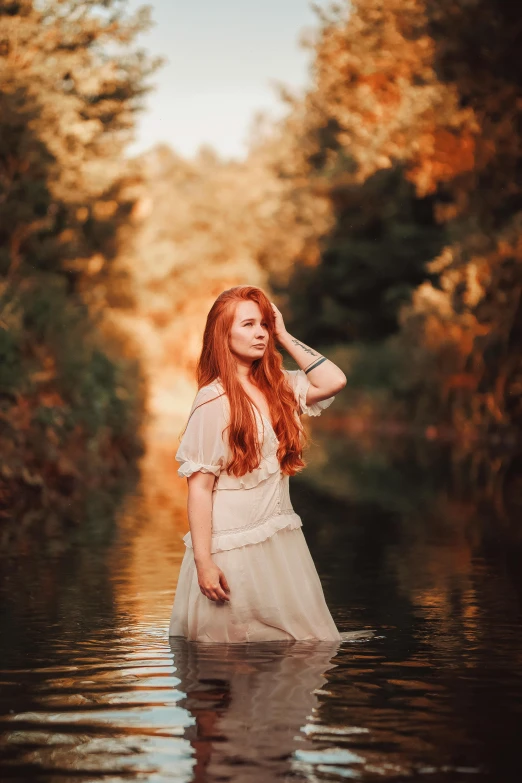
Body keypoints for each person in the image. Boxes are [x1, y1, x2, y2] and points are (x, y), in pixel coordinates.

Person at [168, 285, 347, 643]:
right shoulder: (212, 398)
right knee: (232, 657)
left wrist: (284, 334)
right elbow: (200, 488)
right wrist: (204, 563)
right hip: (231, 549)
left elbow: (334, 381)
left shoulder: (279, 386)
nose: (261, 333)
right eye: (248, 324)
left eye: (264, 324)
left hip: (280, 542)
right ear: (224, 333)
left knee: (311, 643)